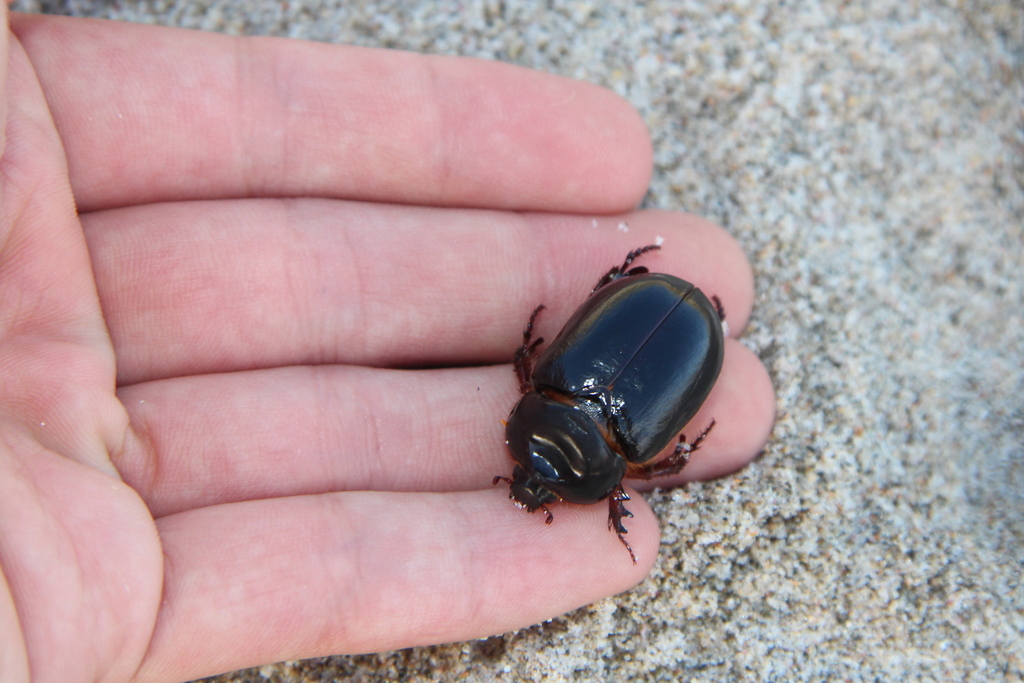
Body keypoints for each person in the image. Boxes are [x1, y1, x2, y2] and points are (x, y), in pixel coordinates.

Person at [0, 6, 775, 682]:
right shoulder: (583, 403)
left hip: (665, 329)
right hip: (672, 334)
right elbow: (647, 449)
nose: (531, 482)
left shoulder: (556, 382)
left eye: (530, 472)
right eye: (544, 477)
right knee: (664, 440)